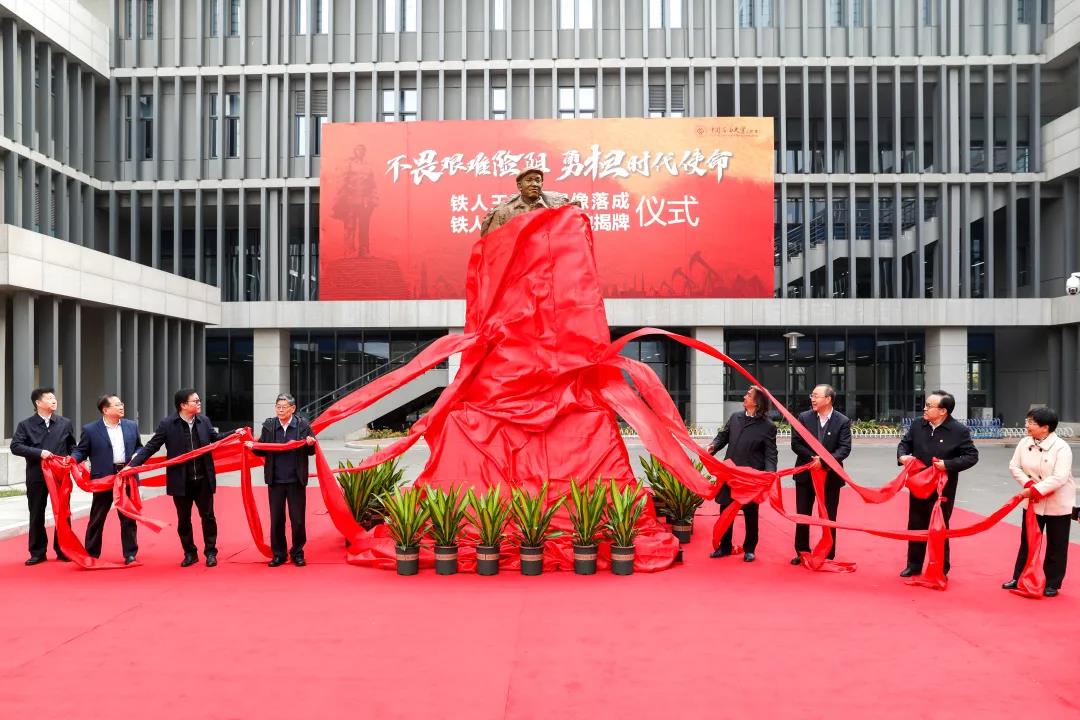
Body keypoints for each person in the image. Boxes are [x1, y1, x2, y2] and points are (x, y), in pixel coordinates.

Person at [129, 388, 242, 567]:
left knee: (208, 517)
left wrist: (235, 433)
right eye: (195, 401)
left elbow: (215, 438)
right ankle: (190, 553)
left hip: (203, 479)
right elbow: (152, 446)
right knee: (183, 519)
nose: (199, 403)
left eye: (199, 400)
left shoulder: (203, 421)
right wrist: (133, 465)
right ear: (183, 405)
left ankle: (210, 552)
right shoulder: (168, 424)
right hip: (181, 480)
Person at [896, 389, 979, 577]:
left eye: (929, 406)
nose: (924, 409)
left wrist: (947, 465)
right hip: (918, 484)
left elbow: (971, 456)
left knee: (939, 526)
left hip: (942, 488)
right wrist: (902, 456)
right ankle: (914, 565)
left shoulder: (958, 430)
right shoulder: (918, 424)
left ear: (943, 411)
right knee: (915, 524)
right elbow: (905, 443)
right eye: (925, 405)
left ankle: (941, 567)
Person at [1001, 407, 1075, 597]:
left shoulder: (1061, 447)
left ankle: (1052, 582)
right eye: (1027, 421)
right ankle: (1019, 577)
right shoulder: (1024, 442)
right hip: (1033, 500)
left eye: (1031, 422)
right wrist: (1028, 484)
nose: (1027, 425)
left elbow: (1060, 477)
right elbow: (1014, 466)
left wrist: (1035, 489)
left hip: (1057, 500)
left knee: (1057, 544)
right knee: (1027, 541)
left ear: (1045, 427)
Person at [706, 385, 778, 562]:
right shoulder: (735, 417)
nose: (745, 396)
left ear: (757, 402)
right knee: (725, 510)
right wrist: (713, 446)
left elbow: (771, 453)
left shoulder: (767, 426)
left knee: (750, 513)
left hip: (750, 477)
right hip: (730, 474)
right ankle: (724, 546)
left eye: (748, 395)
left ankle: (750, 549)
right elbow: (723, 436)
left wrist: (770, 473)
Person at [246, 394, 317, 567]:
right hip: (276, 480)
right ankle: (279, 554)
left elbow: (311, 451)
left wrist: (310, 443)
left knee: (297, 520)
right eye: (278, 407)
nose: (280, 410)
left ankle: (297, 553)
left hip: (295, 480)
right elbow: (263, 449)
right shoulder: (269, 425)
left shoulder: (303, 425)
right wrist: (253, 446)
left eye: (284, 407)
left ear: (293, 408)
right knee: (277, 519)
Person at [71, 394, 143, 564]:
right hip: (103, 479)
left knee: (128, 517)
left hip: (126, 476)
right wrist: (72, 459)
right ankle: (91, 553)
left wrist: (137, 455)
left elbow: (139, 447)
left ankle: (130, 554)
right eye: (117, 404)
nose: (121, 406)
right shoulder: (90, 430)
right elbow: (81, 451)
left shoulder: (131, 426)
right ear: (105, 410)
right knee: (97, 517)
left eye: (121, 403)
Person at [10, 387, 76, 565]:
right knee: (36, 512)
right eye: (49, 398)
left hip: (60, 474)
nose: (54, 400)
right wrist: (39, 453)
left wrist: (74, 458)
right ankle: (37, 552)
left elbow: (72, 446)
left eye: (54, 398)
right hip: (37, 475)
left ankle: (63, 549)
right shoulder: (25, 425)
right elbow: (15, 446)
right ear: (38, 403)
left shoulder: (65, 423)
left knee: (63, 512)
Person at [789, 384, 852, 564]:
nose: (813, 399)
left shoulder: (842, 421)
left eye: (816, 396)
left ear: (828, 399)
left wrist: (823, 462)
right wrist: (812, 459)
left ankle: (828, 553)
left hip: (830, 477)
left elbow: (844, 448)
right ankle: (802, 551)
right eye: (812, 395)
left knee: (829, 516)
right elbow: (796, 443)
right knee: (803, 515)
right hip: (806, 474)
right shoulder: (804, 417)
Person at [479, 168, 575, 236]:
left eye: (538, 181)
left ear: (542, 184)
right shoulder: (504, 212)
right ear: (519, 186)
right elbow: (493, 242)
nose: (534, 184)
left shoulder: (555, 206)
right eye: (529, 180)